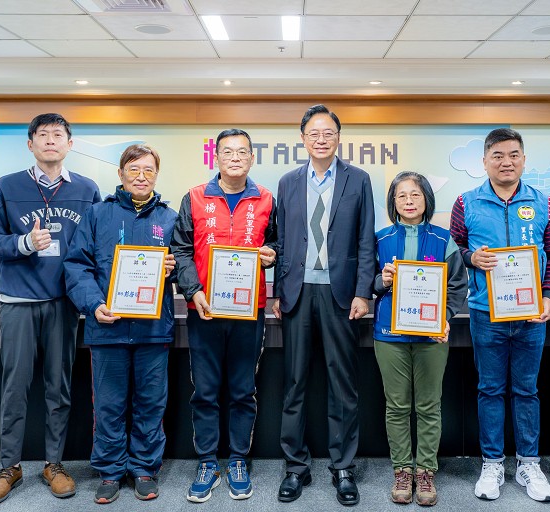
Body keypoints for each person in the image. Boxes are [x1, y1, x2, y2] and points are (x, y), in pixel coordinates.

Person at [0, 113, 101, 506]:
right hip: (19, 302)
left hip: (64, 303)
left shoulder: (87, 189)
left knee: (58, 387)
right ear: (30, 144)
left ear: (70, 144)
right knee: (14, 386)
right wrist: (23, 243)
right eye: (42, 135)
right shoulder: (7, 186)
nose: (50, 140)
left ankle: (54, 464)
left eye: (57, 135)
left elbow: (97, 244)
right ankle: (9, 467)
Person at [449, 128, 550, 503]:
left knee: (527, 390)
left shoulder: (543, 203)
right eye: (498, 156)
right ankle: (492, 463)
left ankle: (529, 463)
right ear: (484, 161)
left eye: (514, 154)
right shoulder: (465, 202)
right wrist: (471, 258)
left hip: (532, 314)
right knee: (490, 389)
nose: (506, 162)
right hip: (486, 313)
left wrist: (548, 295)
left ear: (524, 160)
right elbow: (454, 249)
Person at [273, 104, 376, 506]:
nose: (321, 139)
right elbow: (283, 241)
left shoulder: (358, 179)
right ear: (302, 139)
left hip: (341, 293)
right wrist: (278, 291)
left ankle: (343, 467)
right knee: (294, 382)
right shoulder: (288, 181)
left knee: (342, 383)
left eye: (328, 133)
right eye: (313, 133)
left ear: (338, 138)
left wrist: (363, 291)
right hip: (297, 293)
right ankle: (295, 467)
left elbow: (365, 239)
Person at [64, 144, 177, 504]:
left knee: (150, 404)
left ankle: (144, 468)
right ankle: (111, 471)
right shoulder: (98, 214)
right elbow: (77, 265)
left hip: (152, 330)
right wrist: (94, 304)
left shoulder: (170, 218)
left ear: (156, 175)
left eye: (148, 170)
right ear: (120, 174)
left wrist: (174, 269)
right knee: (109, 405)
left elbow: (188, 263)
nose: (141, 176)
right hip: (107, 327)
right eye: (134, 169)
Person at [171, 129, 277, 503]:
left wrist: (271, 254)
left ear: (251, 158)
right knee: (205, 390)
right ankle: (206, 462)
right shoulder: (195, 197)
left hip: (249, 310)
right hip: (205, 309)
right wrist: (193, 291)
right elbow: (181, 250)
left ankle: (237, 460)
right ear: (215, 158)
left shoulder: (267, 199)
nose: (235, 157)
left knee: (243, 390)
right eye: (227, 152)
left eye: (242, 152)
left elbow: (276, 243)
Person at [373, 171, 468, 506]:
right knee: (397, 406)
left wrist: (444, 317)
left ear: (427, 199)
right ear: (393, 202)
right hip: (389, 334)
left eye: (415, 194)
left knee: (428, 405)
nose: (409, 201)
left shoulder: (443, 239)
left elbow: (457, 286)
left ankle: (426, 470)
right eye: (401, 195)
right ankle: (402, 469)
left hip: (431, 336)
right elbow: (367, 283)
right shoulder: (380, 239)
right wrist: (382, 280)